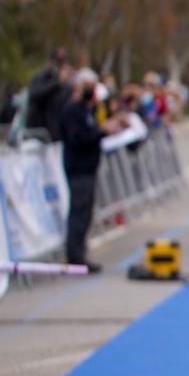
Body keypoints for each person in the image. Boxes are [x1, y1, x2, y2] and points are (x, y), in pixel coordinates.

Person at [58, 69, 127, 272]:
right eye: (87, 87)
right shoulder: (71, 111)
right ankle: (75, 257)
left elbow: (92, 134)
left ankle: (81, 253)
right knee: (78, 212)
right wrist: (101, 131)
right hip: (78, 169)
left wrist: (107, 130)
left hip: (89, 168)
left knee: (86, 212)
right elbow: (78, 139)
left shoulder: (86, 110)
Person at [26, 49, 73, 142]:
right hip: (39, 132)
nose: (59, 66)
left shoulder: (66, 84)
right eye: (57, 63)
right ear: (50, 62)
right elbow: (35, 94)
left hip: (57, 134)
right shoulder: (41, 77)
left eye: (62, 63)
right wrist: (56, 82)